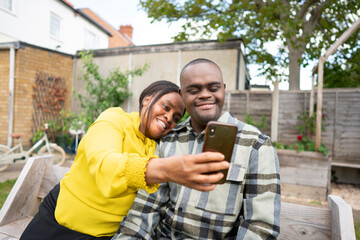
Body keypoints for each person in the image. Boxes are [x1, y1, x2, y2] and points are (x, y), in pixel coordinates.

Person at [20, 80, 230, 240]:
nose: (169, 118)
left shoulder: (161, 147)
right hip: (57, 223)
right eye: (166, 107)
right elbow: (104, 163)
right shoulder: (114, 120)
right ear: (147, 99)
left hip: (105, 236)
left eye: (176, 117)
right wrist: (164, 169)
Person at [113, 59, 281, 239]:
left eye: (213, 88)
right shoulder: (168, 140)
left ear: (224, 89)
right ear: (182, 95)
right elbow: (144, 211)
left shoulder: (256, 145)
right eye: (193, 91)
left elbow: (261, 228)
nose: (204, 95)